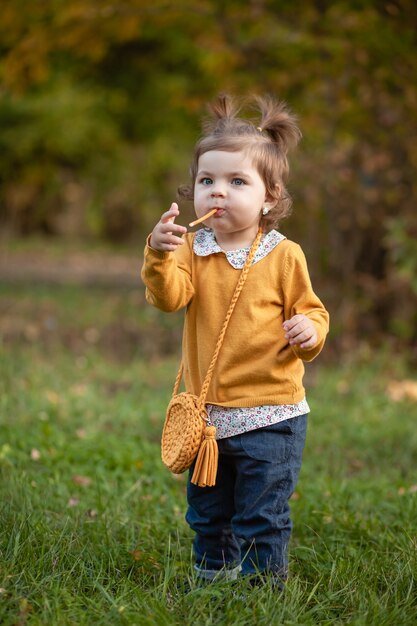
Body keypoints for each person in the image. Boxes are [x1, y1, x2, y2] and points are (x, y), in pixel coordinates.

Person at [141, 94, 329, 588]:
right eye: (208, 181)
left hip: (272, 412)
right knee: (208, 508)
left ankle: (260, 588)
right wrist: (159, 257)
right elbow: (168, 298)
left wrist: (308, 331)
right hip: (209, 415)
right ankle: (212, 575)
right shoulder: (192, 249)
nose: (217, 193)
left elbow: (313, 311)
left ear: (269, 196)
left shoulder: (284, 256)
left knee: (260, 513)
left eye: (236, 182)